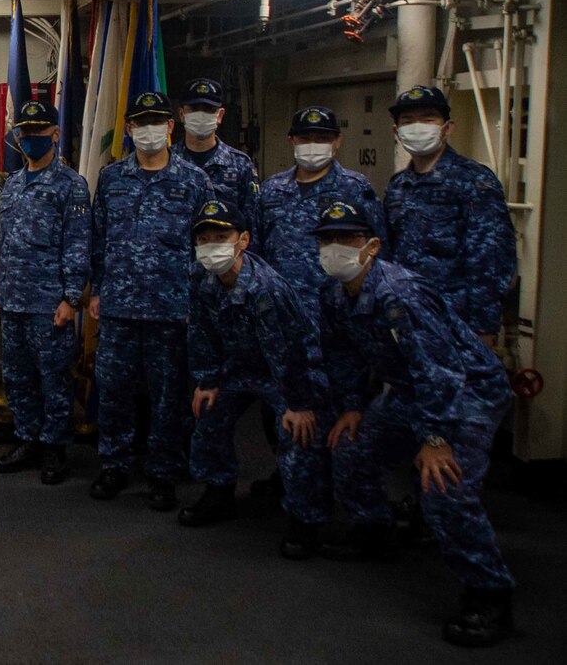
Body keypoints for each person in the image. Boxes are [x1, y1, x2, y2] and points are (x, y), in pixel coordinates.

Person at [312, 199, 516, 648]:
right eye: (327, 240)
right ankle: (374, 532)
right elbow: (342, 355)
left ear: (372, 246)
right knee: (350, 446)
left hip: (468, 394)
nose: (335, 249)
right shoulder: (332, 293)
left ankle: (489, 592)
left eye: (346, 239)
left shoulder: (399, 293)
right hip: (411, 390)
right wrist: (350, 405)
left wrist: (436, 438)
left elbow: (440, 371)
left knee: (443, 485)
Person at [181, 199, 331, 559]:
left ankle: (304, 518)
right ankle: (218, 491)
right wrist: (208, 380)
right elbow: (201, 333)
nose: (211, 245)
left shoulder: (265, 289)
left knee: (295, 433)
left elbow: (289, 353)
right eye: (204, 239)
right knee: (208, 414)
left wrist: (298, 404)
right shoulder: (200, 277)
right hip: (241, 366)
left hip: (292, 372)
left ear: (243, 240)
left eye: (222, 236)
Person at [88, 91, 214, 510]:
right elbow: (99, 239)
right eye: (140, 123)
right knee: (113, 391)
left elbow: (207, 245)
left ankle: (163, 472)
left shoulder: (194, 181)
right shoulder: (111, 178)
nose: (148, 130)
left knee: (168, 397)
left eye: (156, 121)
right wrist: (98, 290)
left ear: (171, 126)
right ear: (128, 129)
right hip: (120, 308)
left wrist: (196, 303)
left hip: (171, 307)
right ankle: (114, 465)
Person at [251, 104, 384, 499]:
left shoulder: (356, 190)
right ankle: (292, 473)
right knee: (281, 405)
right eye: (305, 138)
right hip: (285, 321)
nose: (313, 145)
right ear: (291, 141)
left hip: (337, 320)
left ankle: (331, 486)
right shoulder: (272, 191)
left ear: (337, 141)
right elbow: (256, 253)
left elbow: (376, 256)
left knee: (341, 403)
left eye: (322, 138)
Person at [0, 100, 90, 484]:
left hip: (50, 302)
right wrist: (0, 290)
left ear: (54, 133)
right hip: (14, 298)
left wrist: (70, 297)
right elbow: (8, 243)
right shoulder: (13, 184)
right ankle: (27, 438)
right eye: (25, 132)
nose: (31, 138)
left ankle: (55, 448)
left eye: (39, 131)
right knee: (17, 377)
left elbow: (78, 244)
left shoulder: (70, 185)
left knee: (53, 378)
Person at [384, 85, 515, 344]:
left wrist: (483, 328)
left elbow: (491, 259)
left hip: (455, 323)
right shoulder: (398, 185)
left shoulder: (474, 180)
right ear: (396, 132)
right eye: (408, 121)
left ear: (447, 127)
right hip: (405, 318)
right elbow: (389, 252)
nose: (417, 126)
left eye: (428, 118)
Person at [172, 78, 257, 223]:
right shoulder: (166, 160)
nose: (201, 115)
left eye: (208, 109)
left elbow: (251, 222)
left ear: (220, 115)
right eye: (194, 109)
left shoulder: (240, 164)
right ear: (181, 114)